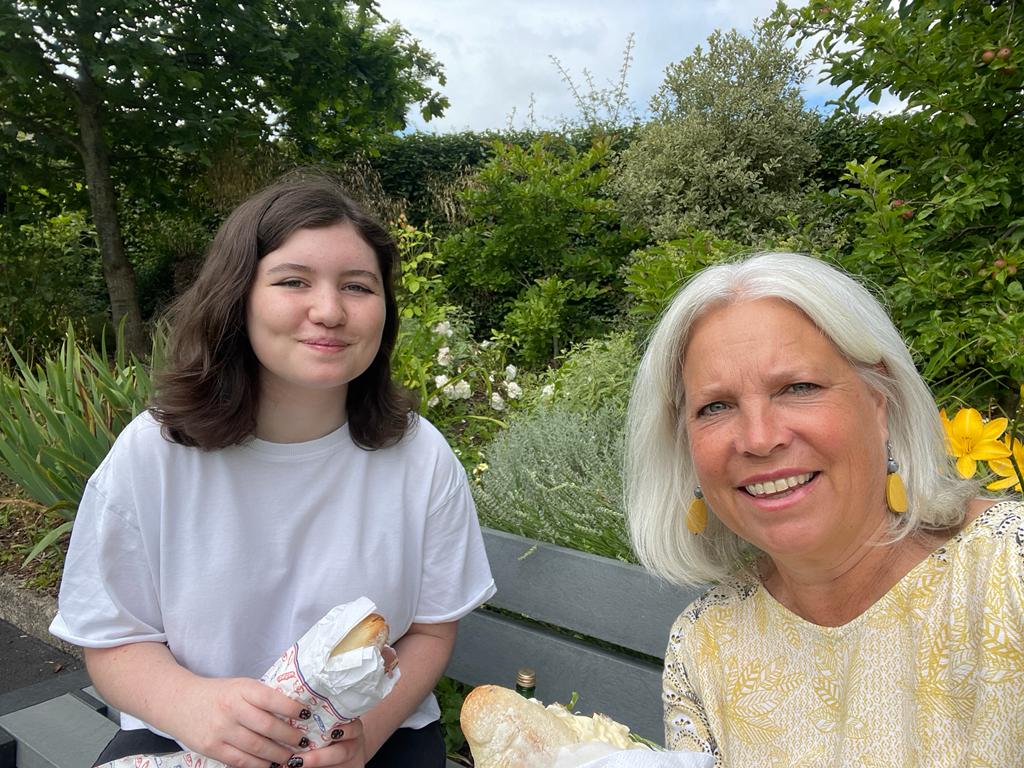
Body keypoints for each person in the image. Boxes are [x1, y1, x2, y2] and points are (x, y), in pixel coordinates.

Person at [50, 175, 496, 768]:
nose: (330, 310)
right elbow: (112, 638)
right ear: (238, 298)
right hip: (185, 735)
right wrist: (191, 705)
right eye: (293, 281)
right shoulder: (153, 455)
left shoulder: (420, 457)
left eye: (357, 287)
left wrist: (360, 735)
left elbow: (432, 631)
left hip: (373, 738)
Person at [624, 252, 1023, 766]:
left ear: (881, 403)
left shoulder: (1007, 576)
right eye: (716, 407)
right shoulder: (705, 643)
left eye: (798, 388)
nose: (759, 439)